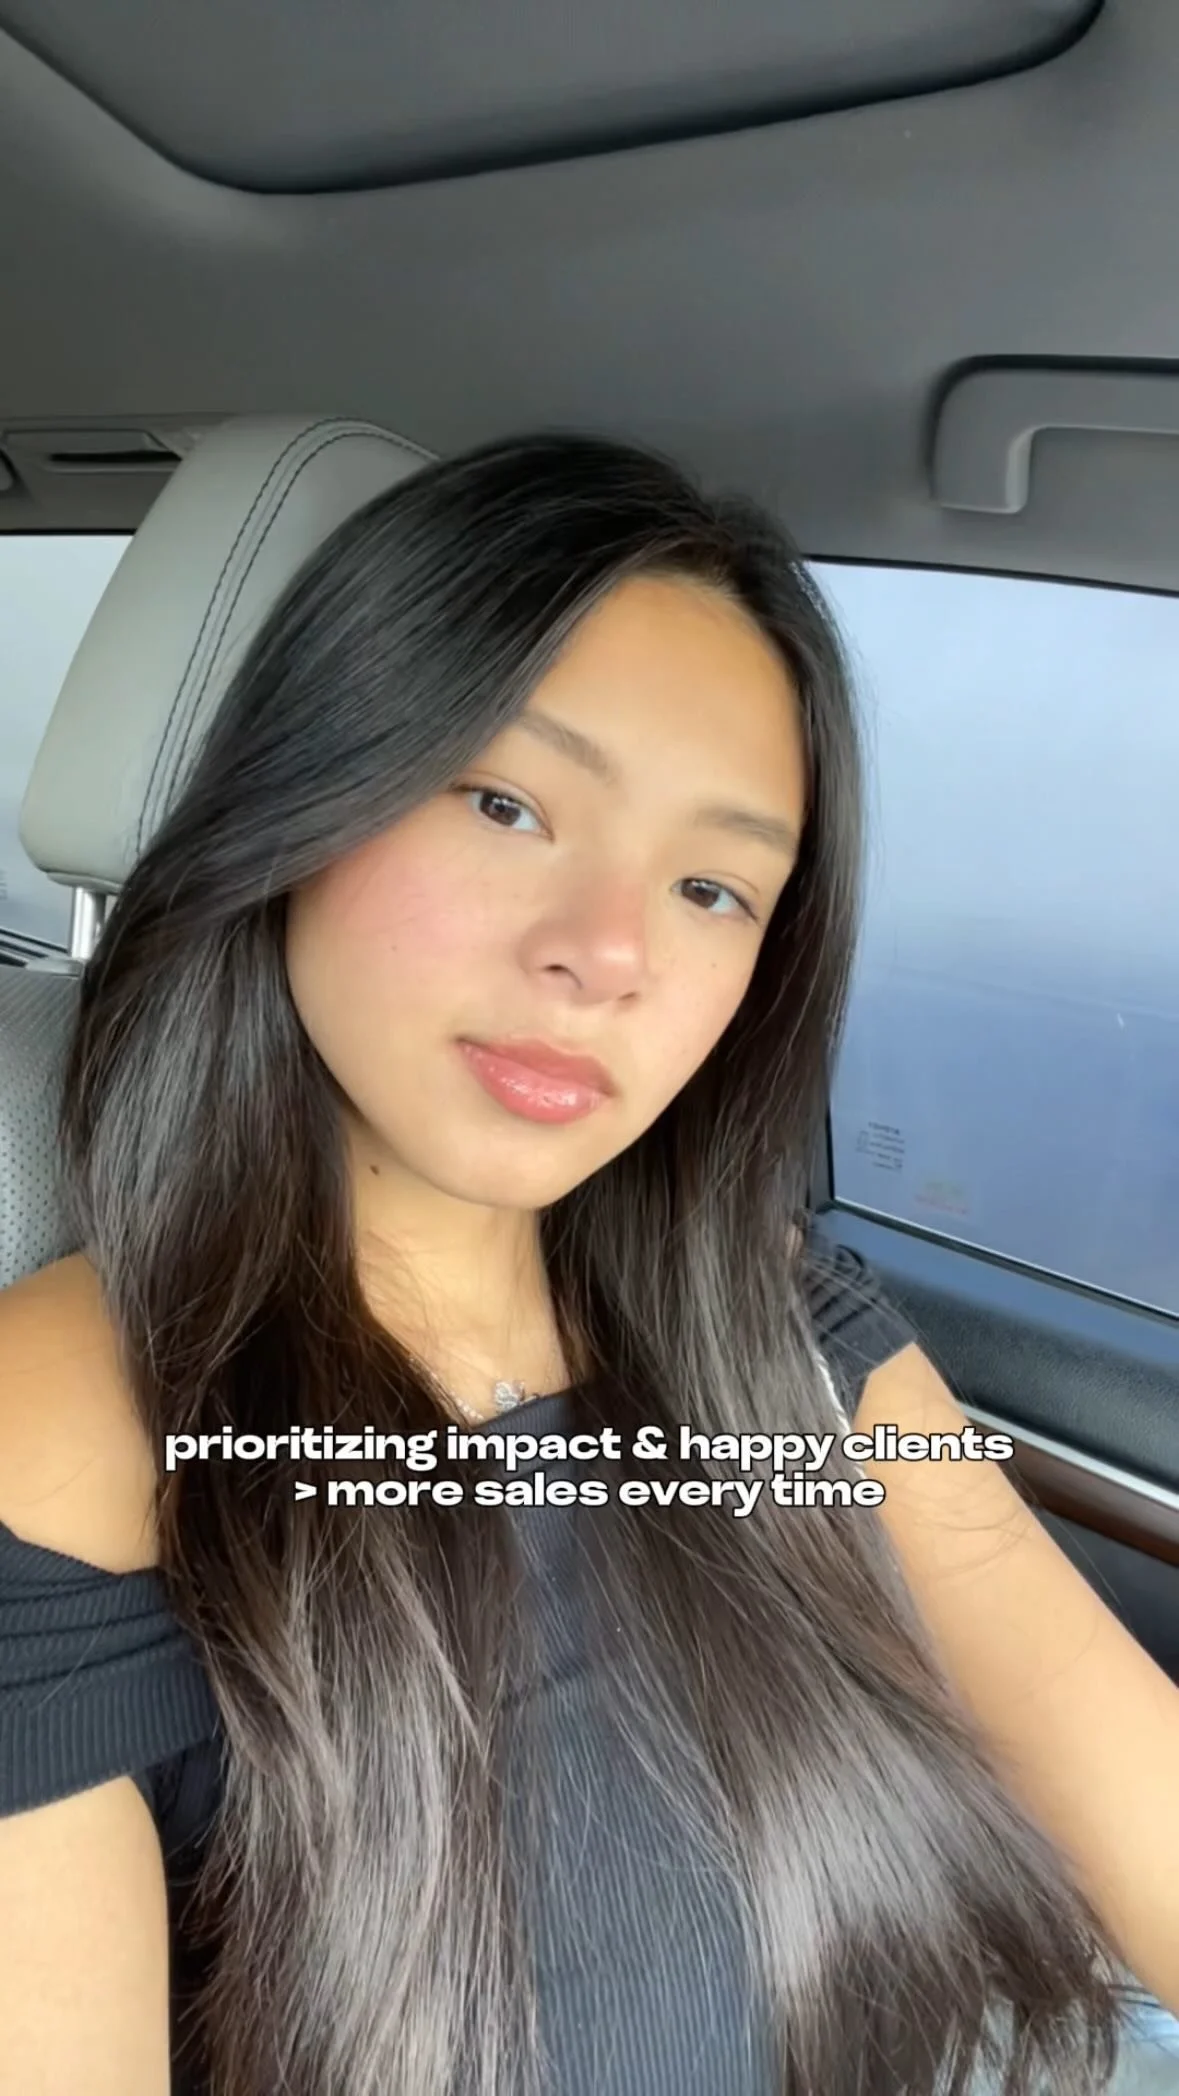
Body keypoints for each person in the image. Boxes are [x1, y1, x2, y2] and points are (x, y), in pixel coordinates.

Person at [0, 430, 1176, 2096]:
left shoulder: (779, 1325)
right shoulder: (70, 1428)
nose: (608, 955)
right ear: (303, 800)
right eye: (506, 804)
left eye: (711, 886)